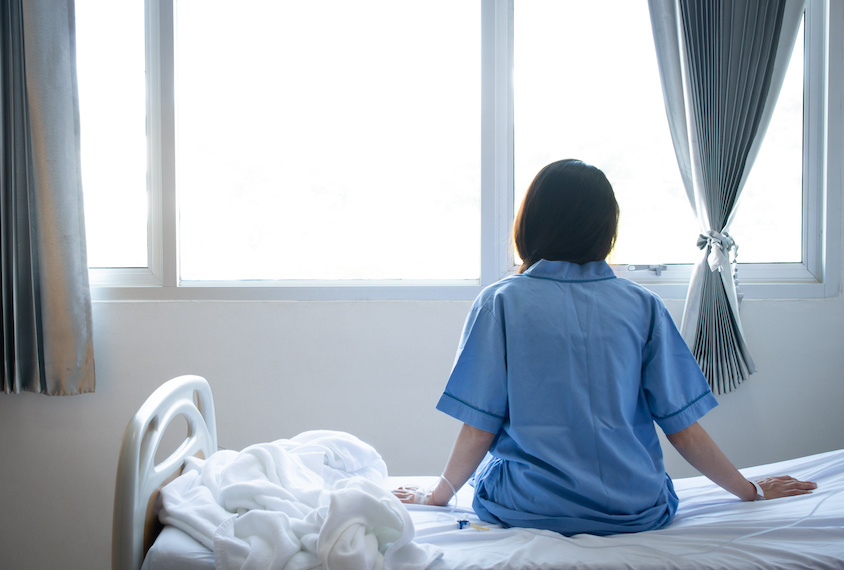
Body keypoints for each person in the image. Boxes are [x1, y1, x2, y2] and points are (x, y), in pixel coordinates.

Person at [394, 159, 816, 536]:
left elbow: (479, 427)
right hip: (635, 508)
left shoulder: (500, 301)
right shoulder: (642, 305)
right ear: (606, 229)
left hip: (526, 506)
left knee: (492, 472)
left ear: (531, 224)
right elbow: (683, 432)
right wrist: (751, 491)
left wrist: (437, 497)